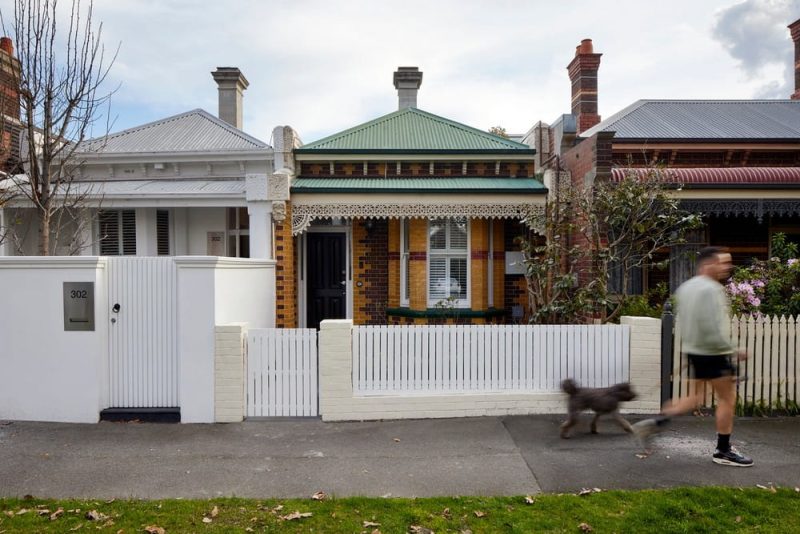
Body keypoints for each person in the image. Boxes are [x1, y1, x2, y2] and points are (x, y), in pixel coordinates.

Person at [632, 246, 753, 467]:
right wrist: (734, 349)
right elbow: (712, 327)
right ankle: (723, 450)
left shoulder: (685, 288)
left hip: (695, 352)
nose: (727, 267)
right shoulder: (712, 289)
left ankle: (655, 422)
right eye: (723, 263)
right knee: (727, 399)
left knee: (694, 398)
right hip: (714, 352)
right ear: (709, 264)